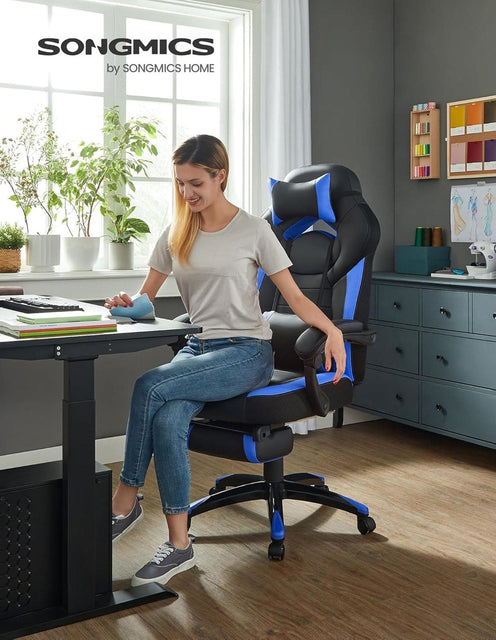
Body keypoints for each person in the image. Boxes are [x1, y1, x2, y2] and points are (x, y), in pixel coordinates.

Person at [106, 134, 346, 587]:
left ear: (221, 175)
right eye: (179, 184)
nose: (186, 193)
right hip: (198, 351)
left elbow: (294, 296)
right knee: (166, 419)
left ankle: (125, 501)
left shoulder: (254, 229)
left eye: (195, 183)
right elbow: (145, 301)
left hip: (245, 352)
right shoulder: (177, 231)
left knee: (148, 385)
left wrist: (332, 330)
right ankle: (180, 545)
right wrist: (125, 302)